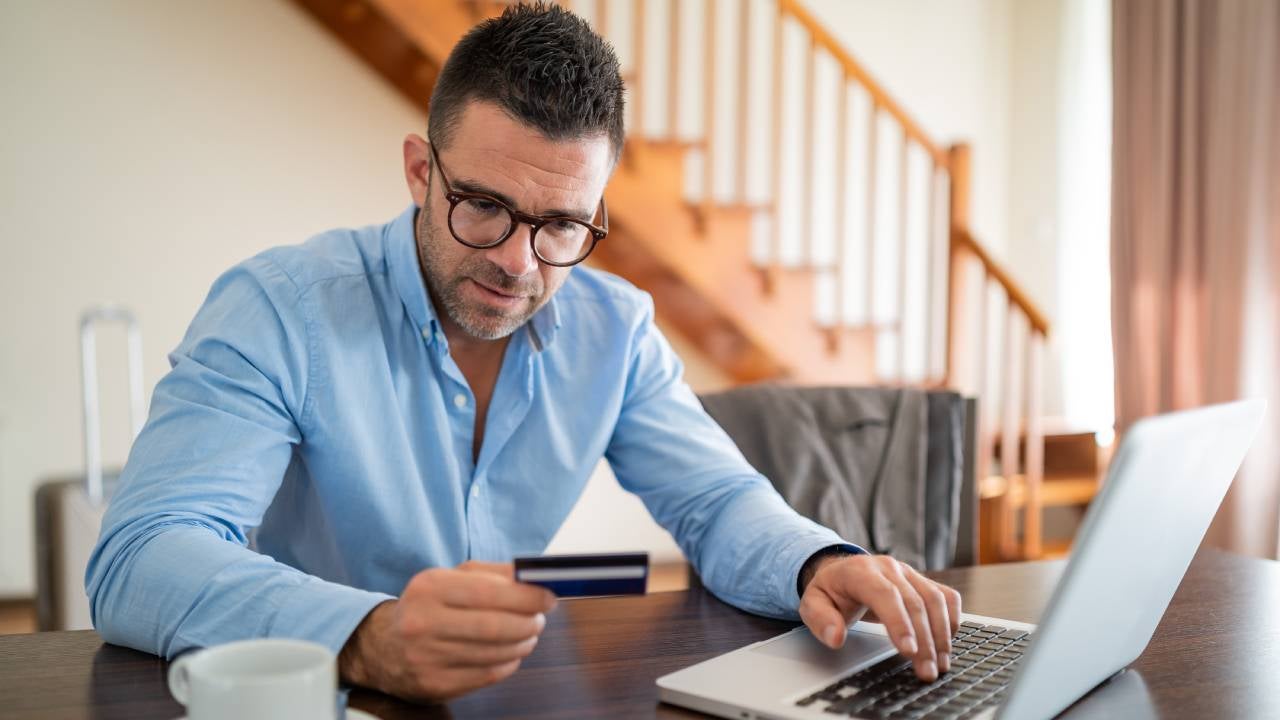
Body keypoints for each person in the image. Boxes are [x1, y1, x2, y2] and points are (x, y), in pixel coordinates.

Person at [86, 2, 961, 703]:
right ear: (420, 172)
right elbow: (143, 555)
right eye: (484, 206)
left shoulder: (615, 329)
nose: (518, 260)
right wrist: (366, 636)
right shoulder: (279, 309)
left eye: (563, 225)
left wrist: (823, 562)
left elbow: (719, 499)